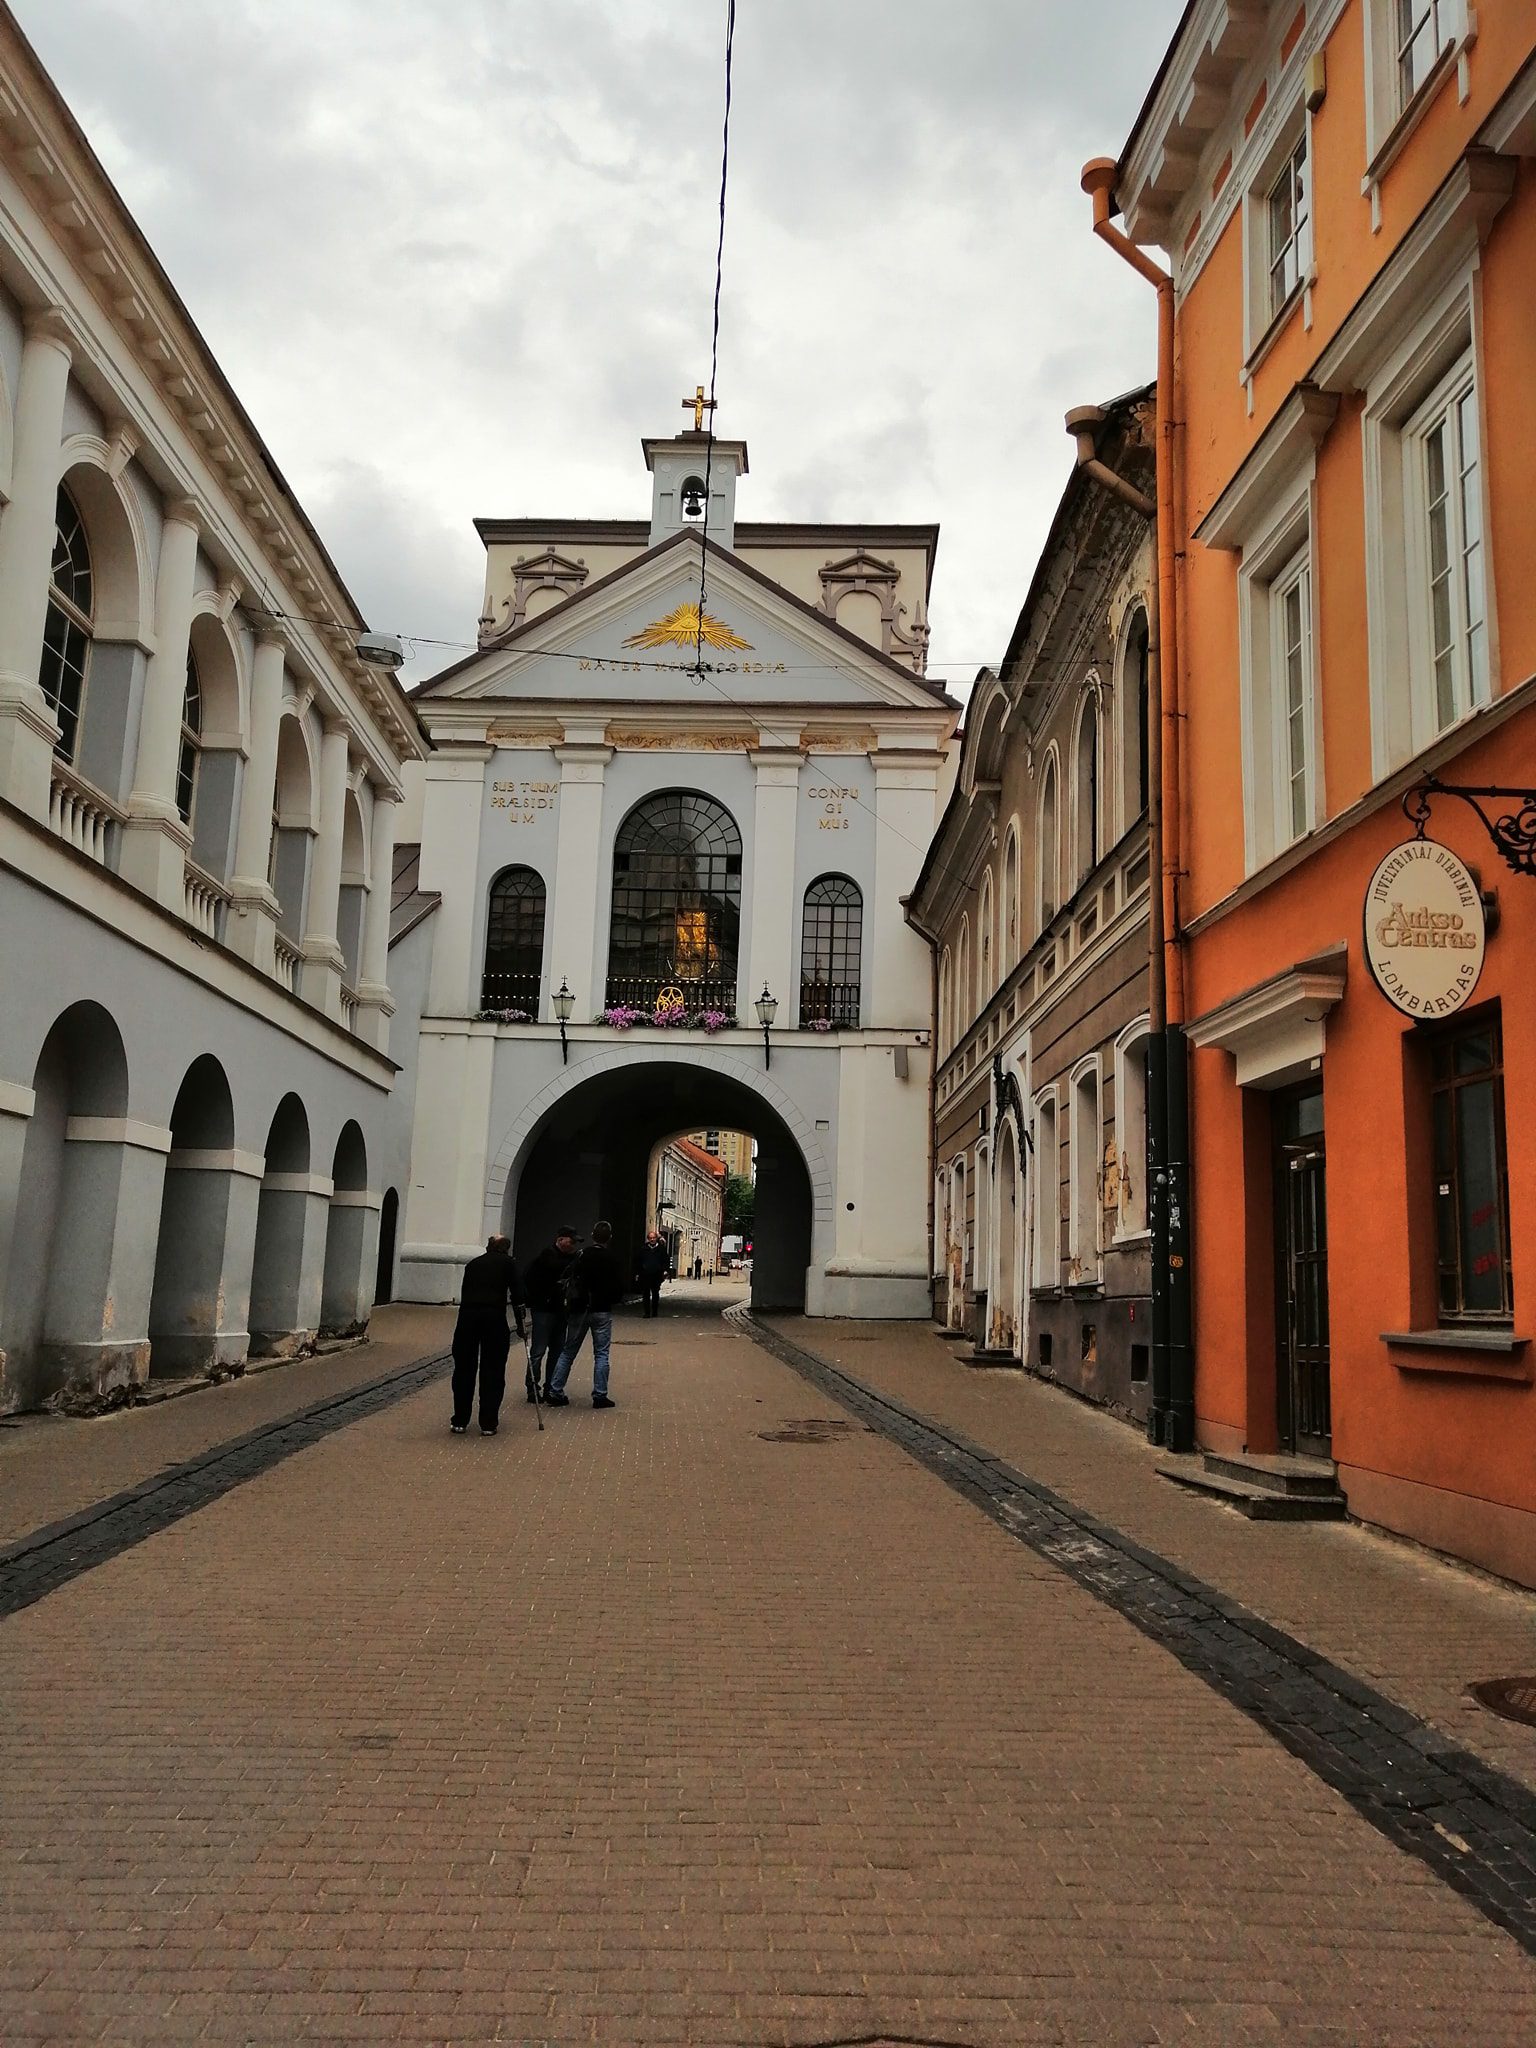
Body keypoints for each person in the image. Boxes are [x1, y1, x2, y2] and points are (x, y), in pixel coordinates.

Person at [451, 1234, 525, 1436]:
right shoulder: (508, 1264)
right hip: (493, 1318)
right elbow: (518, 1295)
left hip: (467, 1318)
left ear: (488, 1247)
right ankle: (488, 1422)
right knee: (493, 1369)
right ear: (506, 1249)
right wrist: (521, 1325)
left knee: (464, 1368)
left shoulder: (473, 1264)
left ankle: (460, 1419)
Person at [548, 1220, 624, 1409]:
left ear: (592, 1236)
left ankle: (555, 1391)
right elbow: (618, 1288)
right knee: (602, 1353)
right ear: (610, 1238)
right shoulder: (612, 1259)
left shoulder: (581, 1256)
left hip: (579, 1309)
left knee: (568, 1351)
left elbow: (568, 1277)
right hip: (602, 1310)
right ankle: (600, 1395)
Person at [522, 1223, 580, 1401]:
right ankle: (533, 1388)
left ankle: (550, 1386)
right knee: (538, 1350)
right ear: (560, 1240)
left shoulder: (567, 1258)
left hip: (560, 1311)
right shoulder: (547, 1256)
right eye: (571, 1242)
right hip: (544, 1309)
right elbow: (546, 1272)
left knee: (557, 1350)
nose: (573, 1246)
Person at [635, 1230, 669, 1319]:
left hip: (656, 1275)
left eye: (654, 1238)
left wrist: (665, 1270)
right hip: (645, 1275)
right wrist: (638, 1273)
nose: (652, 1240)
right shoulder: (643, 1249)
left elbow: (665, 1260)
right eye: (650, 1238)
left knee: (655, 1293)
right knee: (645, 1294)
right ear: (648, 1239)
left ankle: (654, 1311)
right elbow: (638, 1261)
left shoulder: (661, 1249)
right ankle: (646, 1312)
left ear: (656, 1239)